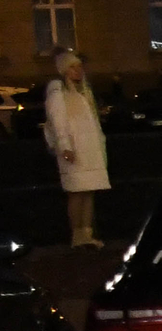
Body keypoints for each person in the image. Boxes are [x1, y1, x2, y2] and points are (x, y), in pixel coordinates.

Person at [43, 48, 110, 247]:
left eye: (79, 67)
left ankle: (86, 234)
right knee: (76, 192)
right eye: (73, 67)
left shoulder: (84, 92)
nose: (77, 71)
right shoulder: (58, 91)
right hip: (73, 150)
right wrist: (65, 146)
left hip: (89, 150)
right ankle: (76, 235)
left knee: (88, 191)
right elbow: (58, 121)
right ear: (64, 70)